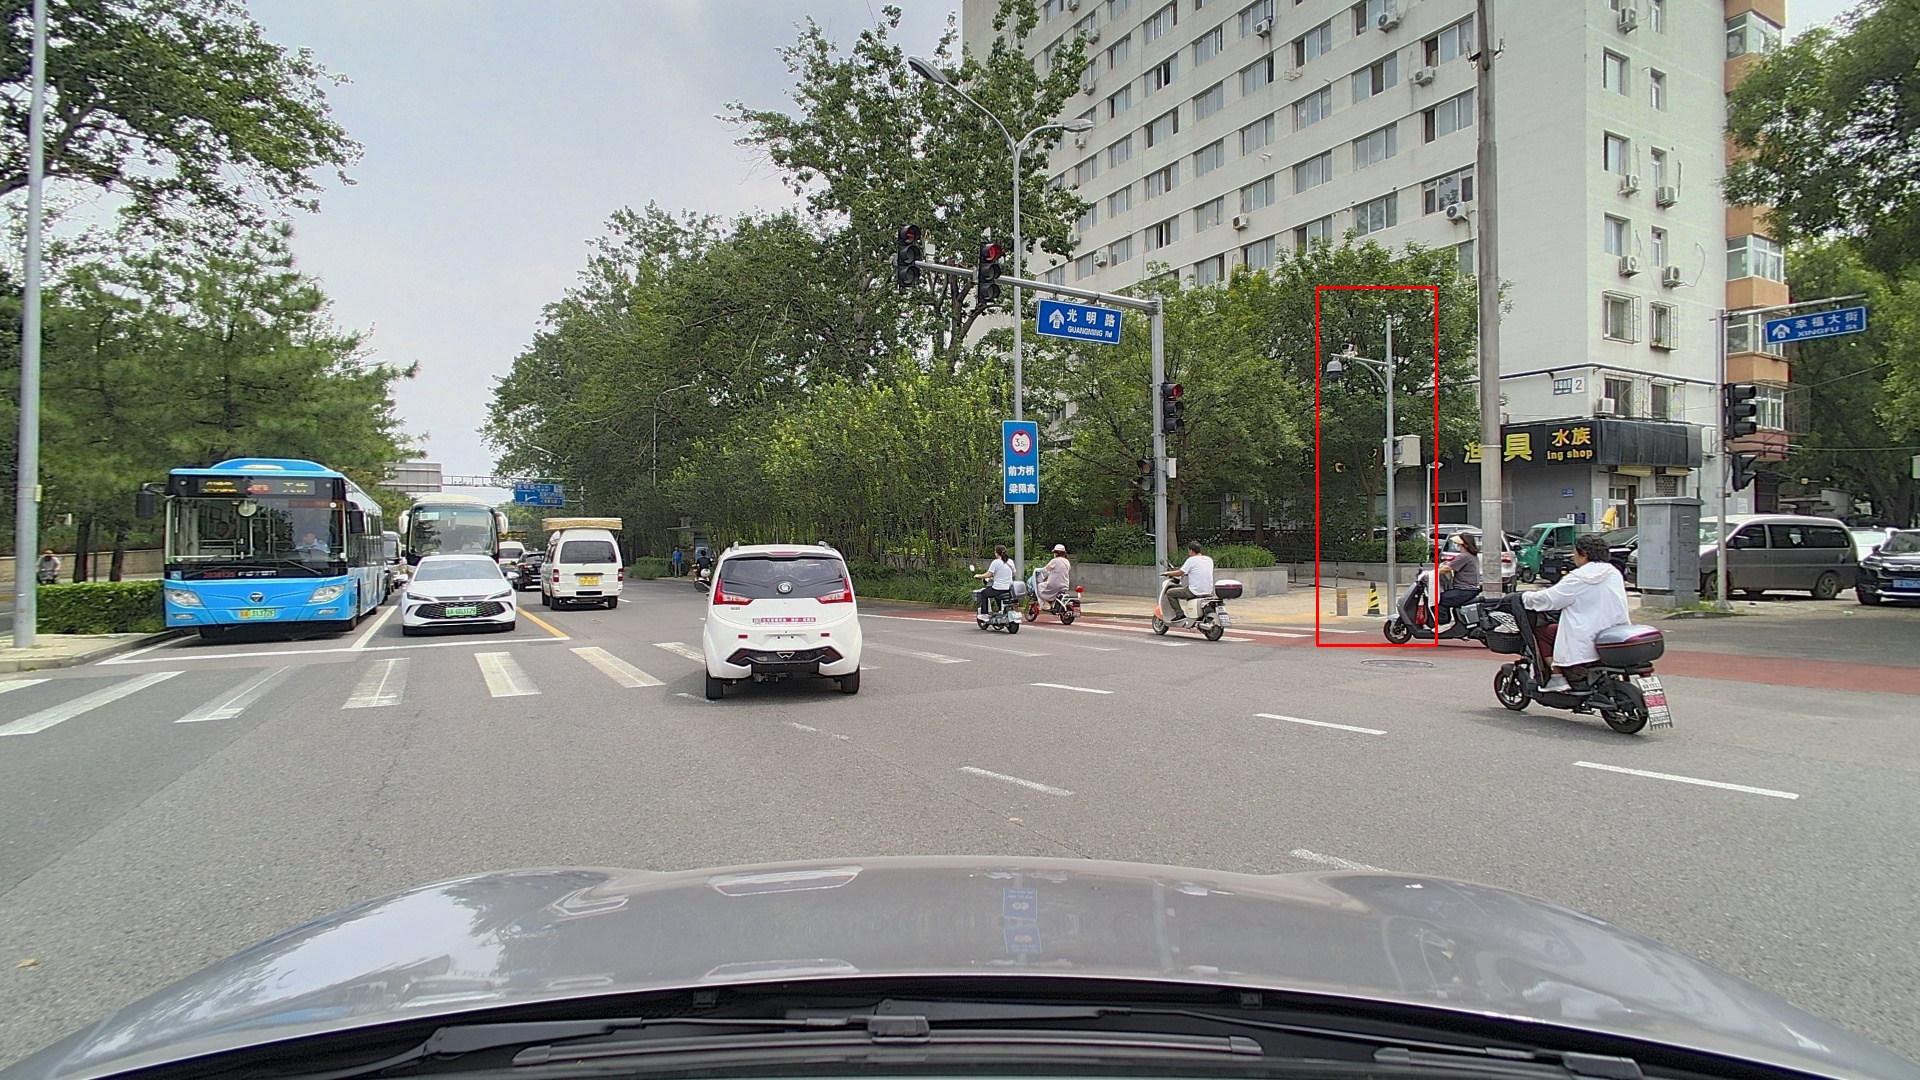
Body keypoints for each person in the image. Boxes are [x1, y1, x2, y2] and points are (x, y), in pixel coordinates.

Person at [1522, 532, 1631, 692]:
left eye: (1575, 553)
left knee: (1542, 632)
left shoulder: (1577, 577)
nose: (1574, 557)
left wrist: (1524, 597)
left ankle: (1557, 677)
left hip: (1585, 637)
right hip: (1613, 632)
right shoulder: (1613, 572)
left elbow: (1548, 599)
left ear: (1583, 554)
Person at [1161, 539, 1214, 623]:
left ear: (1191, 550)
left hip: (1194, 591)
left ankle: (1180, 614)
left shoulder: (1191, 560)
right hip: (1208, 591)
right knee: (1182, 590)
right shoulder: (1209, 559)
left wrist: (1167, 573)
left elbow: (1180, 572)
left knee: (1170, 593)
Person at [1437, 532, 1482, 621]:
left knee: (1438, 599)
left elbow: (1447, 568)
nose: (1458, 546)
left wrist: (1430, 574)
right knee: (1446, 597)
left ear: (1465, 544)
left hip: (1464, 590)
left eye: (1459, 544)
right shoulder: (1472, 555)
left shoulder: (1464, 556)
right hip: (1469, 590)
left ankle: (1442, 623)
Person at [975, 544, 1015, 615]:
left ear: (996, 553)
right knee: (996, 595)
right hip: (1009, 589)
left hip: (999, 589)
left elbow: (989, 574)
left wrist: (979, 576)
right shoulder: (1010, 561)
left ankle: (984, 614)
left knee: (983, 593)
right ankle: (1000, 610)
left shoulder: (996, 562)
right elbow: (1014, 574)